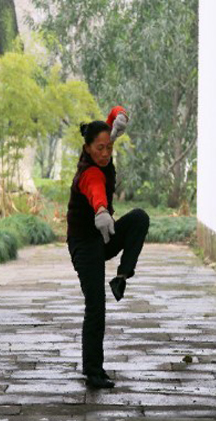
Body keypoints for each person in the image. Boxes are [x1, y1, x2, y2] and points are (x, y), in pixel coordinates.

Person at [66, 106, 150, 389]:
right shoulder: (89, 173)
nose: (105, 153)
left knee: (139, 218)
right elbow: (95, 190)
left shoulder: (102, 150)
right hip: (84, 244)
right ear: (88, 148)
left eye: (109, 147)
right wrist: (101, 209)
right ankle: (93, 371)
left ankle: (122, 276)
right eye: (99, 148)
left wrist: (118, 116)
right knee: (96, 305)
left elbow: (115, 113)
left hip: (104, 236)